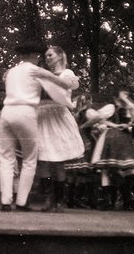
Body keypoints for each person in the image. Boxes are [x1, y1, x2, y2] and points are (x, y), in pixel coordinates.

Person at [0, 40, 67, 212]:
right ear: (33, 55)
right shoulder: (36, 70)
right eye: (38, 55)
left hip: (6, 112)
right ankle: (21, 202)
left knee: (6, 157)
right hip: (26, 112)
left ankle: (6, 201)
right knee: (29, 159)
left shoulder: (11, 72)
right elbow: (62, 84)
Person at [31, 45, 85, 212]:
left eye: (51, 55)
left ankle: (60, 201)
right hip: (41, 116)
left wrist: (45, 75)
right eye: (46, 56)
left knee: (58, 161)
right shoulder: (42, 75)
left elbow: (70, 84)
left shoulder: (66, 73)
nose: (47, 58)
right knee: (44, 160)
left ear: (60, 56)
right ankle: (49, 200)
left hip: (58, 116)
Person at [0, 104, 20, 202]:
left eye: (1, 110)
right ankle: (3, 197)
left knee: (15, 172)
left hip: (12, 150)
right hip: (2, 150)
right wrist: (5, 142)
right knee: (4, 172)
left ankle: (16, 196)